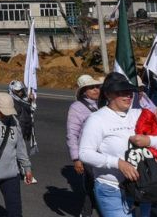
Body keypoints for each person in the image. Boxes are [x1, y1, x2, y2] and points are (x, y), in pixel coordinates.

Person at [78, 72, 157, 217]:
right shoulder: (96, 119)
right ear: (108, 94)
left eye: (129, 92)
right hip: (111, 188)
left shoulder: (141, 114)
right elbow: (85, 153)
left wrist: (149, 140)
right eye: (121, 92)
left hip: (143, 187)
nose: (128, 96)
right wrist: (118, 163)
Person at [66, 74, 102, 217]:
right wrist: (76, 158)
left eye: (97, 87)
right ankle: (85, 213)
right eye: (90, 88)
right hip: (88, 153)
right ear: (83, 91)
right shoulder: (76, 107)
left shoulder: (104, 104)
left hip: (105, 152)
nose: (95, 90)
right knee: (93, 186)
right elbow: (72, 134)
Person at [8, 80, 37, 154]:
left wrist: (31, 101)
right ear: (12, 91)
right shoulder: (10, 102)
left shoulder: (22, 101)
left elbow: (30, 110)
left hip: (23, 132)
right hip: (15, 134)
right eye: (18, 91)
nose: (21, 92)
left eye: (21, 90)